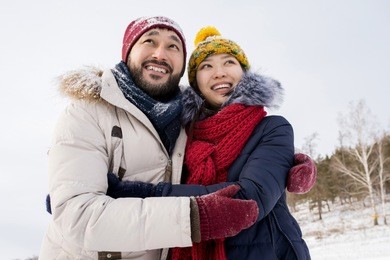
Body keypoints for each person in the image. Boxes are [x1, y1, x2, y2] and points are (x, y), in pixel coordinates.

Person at [39, 16, 261, 260]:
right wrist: (193, 218)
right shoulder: (86, 113)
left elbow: (231, 139)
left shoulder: (188, 123)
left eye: (173, 46)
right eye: (149, 41)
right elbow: (79, 216)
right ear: (128, 52)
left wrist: (286, 158)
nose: (160, 54)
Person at [106, 26, 314, 260]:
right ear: (195, 83)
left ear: (244, 73)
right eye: (207, 66)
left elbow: (250, 199)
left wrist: (146, 194)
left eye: (229, 62)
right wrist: (89, 191)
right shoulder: (183, 133)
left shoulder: (273, 128)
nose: (219, 73)